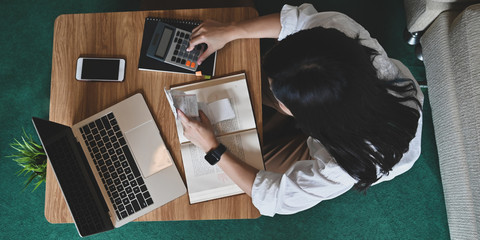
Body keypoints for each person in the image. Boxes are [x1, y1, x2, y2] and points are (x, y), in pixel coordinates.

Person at [177, 3, 424, 217]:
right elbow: (295, 20)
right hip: (341, 114)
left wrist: (213, 149)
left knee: (253, 165)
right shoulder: (338, 31)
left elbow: (275, 197)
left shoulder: (342, 168)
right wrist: (230, 31)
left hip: (353, 147)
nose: (271, 90)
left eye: (278, 96)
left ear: (310, 120)